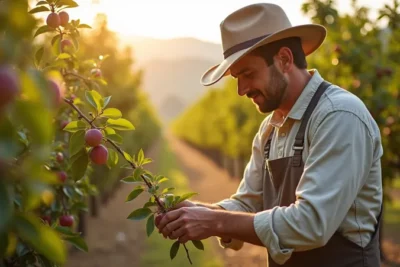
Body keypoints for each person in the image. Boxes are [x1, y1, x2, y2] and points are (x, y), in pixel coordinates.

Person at [155, 3, 383, 266]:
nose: (241, 90)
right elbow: (248, 204)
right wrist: (201, 211)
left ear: (284, 60)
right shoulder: (269, 130)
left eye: (248, 74)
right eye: (236, 78)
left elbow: (311, 224)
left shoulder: (339, 116)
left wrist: (214, 221)